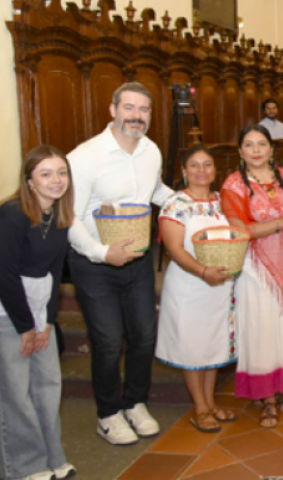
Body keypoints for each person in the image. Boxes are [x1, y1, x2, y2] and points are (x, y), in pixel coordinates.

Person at [68, 82, 171, 445]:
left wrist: (186, 202)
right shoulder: (85, 157)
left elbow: (155, 191)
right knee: (109, 341)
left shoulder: (151, 150)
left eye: (143, 109)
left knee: (144, 335)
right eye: (129, 107)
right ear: (113, 110)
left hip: (137, 259)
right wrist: (102, 253)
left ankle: (135, 403)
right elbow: (70, 217)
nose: (136, 116)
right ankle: (108, 414)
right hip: (95, 263)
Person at [221, 125, 283, 427]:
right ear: (240, 151)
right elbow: (240, 230)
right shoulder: (234, 185)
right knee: (262, 331)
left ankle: (282, 386)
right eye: (249, 144)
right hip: (256, 270)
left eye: (262, 144)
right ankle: (267, 397)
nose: (256, 150)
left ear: (272, 149)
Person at [0, 146, 76, 480]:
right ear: (29, 180)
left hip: (38, 311)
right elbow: (4, 274)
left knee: (48, 385)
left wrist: (47, 322)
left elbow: (55, 271)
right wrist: (26, 326)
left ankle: (52, 458)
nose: (56, 180)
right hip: (8, 312)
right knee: (15, 393)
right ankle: (25, 467)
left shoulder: (59, 213)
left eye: (62, 172)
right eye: (46, 174)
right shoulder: (13, 214)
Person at [156, 145, 238, 433]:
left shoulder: (222, 201)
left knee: (213, 344)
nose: (201, 170)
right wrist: (203, 272)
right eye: (194, 165)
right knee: (193, 347)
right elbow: (174, 248)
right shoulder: (175, 203)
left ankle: (211, 402)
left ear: (215, 170)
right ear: (183, 171)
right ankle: (200, 408)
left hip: (220, 287)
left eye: (207, 164)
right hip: (190, 285)